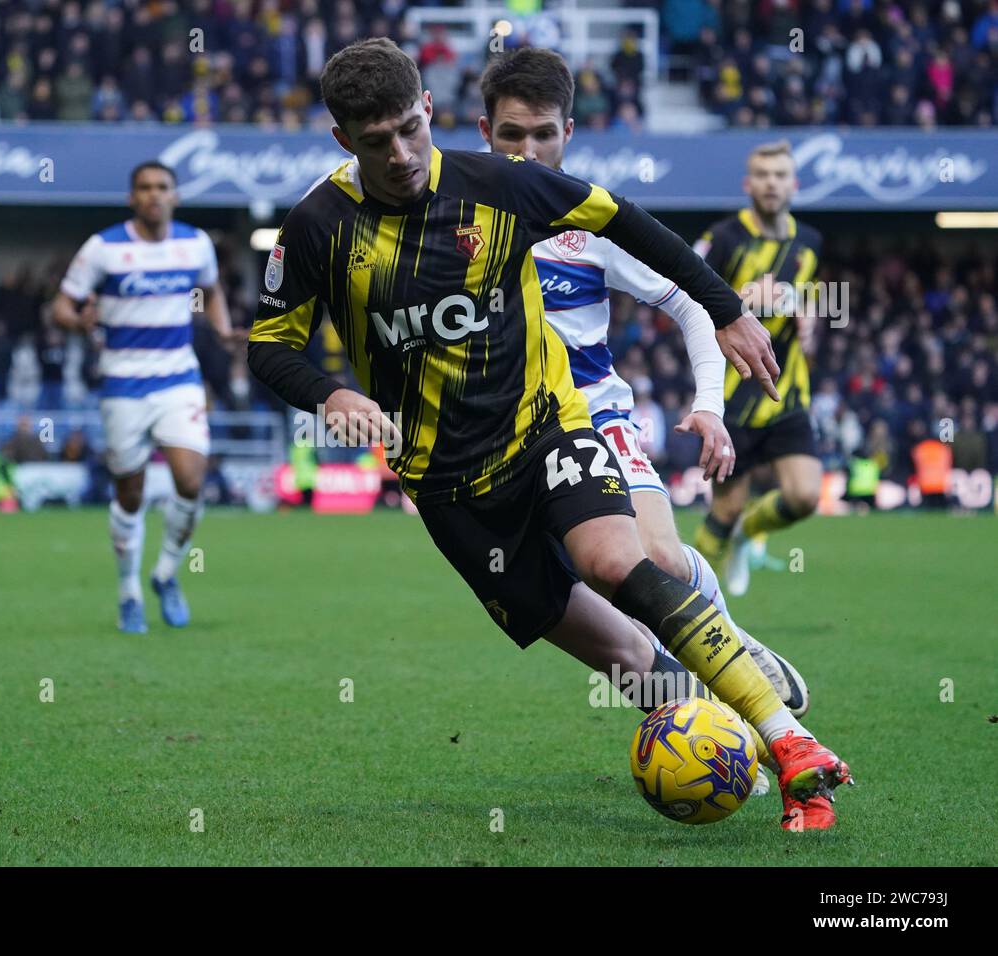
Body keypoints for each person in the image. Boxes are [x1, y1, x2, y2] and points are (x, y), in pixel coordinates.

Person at [247, 39, 850, 830]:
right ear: (342, 142)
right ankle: (726, 727)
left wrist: (728, 311)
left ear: (429, 108)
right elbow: (269, 344)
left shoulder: (503, 185)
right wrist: (329, 395)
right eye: (374, 141)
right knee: (628, 660)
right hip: (450, 489)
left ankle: (790, 742)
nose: (399, 155)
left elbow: (630, 223)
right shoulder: (319, 227)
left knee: (621, 559)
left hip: (551, 426)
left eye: (408, 129)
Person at [474, 48, 811, 737]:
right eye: (512, 135)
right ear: (485, 133)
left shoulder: (594, 222)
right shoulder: (454, 224)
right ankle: (700, 719)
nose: (529, 151)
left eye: (544, 133)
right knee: (598, 598)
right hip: (506, 438)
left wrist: (709, 406)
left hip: (595, 414)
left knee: (651, 561)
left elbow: (693, 304)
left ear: (569, 132)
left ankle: (727, 645)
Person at [52, 161, 239, 633]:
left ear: (175, 195)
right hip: (122, 384)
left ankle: (166, 574)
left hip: (178, 378)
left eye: (162, 187)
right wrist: (79, 322)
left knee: (191, 481)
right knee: (130, 495)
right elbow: (60, 306)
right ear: (132, 197)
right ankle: (128, 592)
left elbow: (211, 290)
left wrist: (220, 330)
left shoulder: (195, 243)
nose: (154, 195)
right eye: (145, 188)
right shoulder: (103, 248)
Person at [692, 141, 825, 597]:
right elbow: (686, 300)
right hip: (731, 393)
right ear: (749, 184)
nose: (772, 183)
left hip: (786, 391)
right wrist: (744, 300)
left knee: (806, 495)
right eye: (763, 175)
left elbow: (808, 301)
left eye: (780, 175)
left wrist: (809, 319)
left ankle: (750, 530)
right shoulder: (724, 238)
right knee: (721, 514)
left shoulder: (810, 243)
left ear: (794, 183)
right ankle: (687, 604)